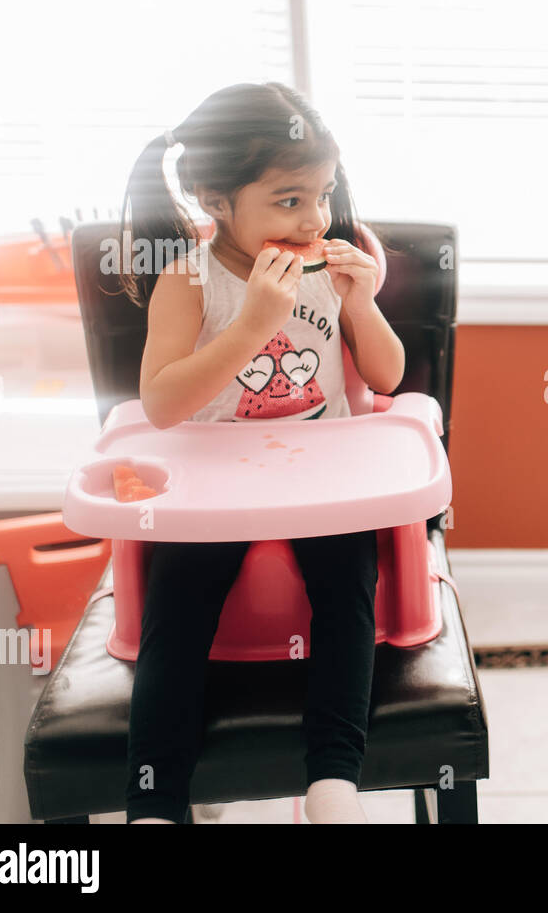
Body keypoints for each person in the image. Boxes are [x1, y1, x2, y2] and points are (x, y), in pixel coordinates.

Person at [115, 82, 404, 821]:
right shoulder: (187, 279)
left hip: (321, 472)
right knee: (175, 606)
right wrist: (250, 325)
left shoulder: (337, 260)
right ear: (217, 200)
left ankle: (333, 776)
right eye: (287, 200)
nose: (315, 218)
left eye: (323, 194)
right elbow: (161, 403)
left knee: (348, 588)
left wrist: (361, 302)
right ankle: (157, 792)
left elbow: (388, 376)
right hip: (215, 478)